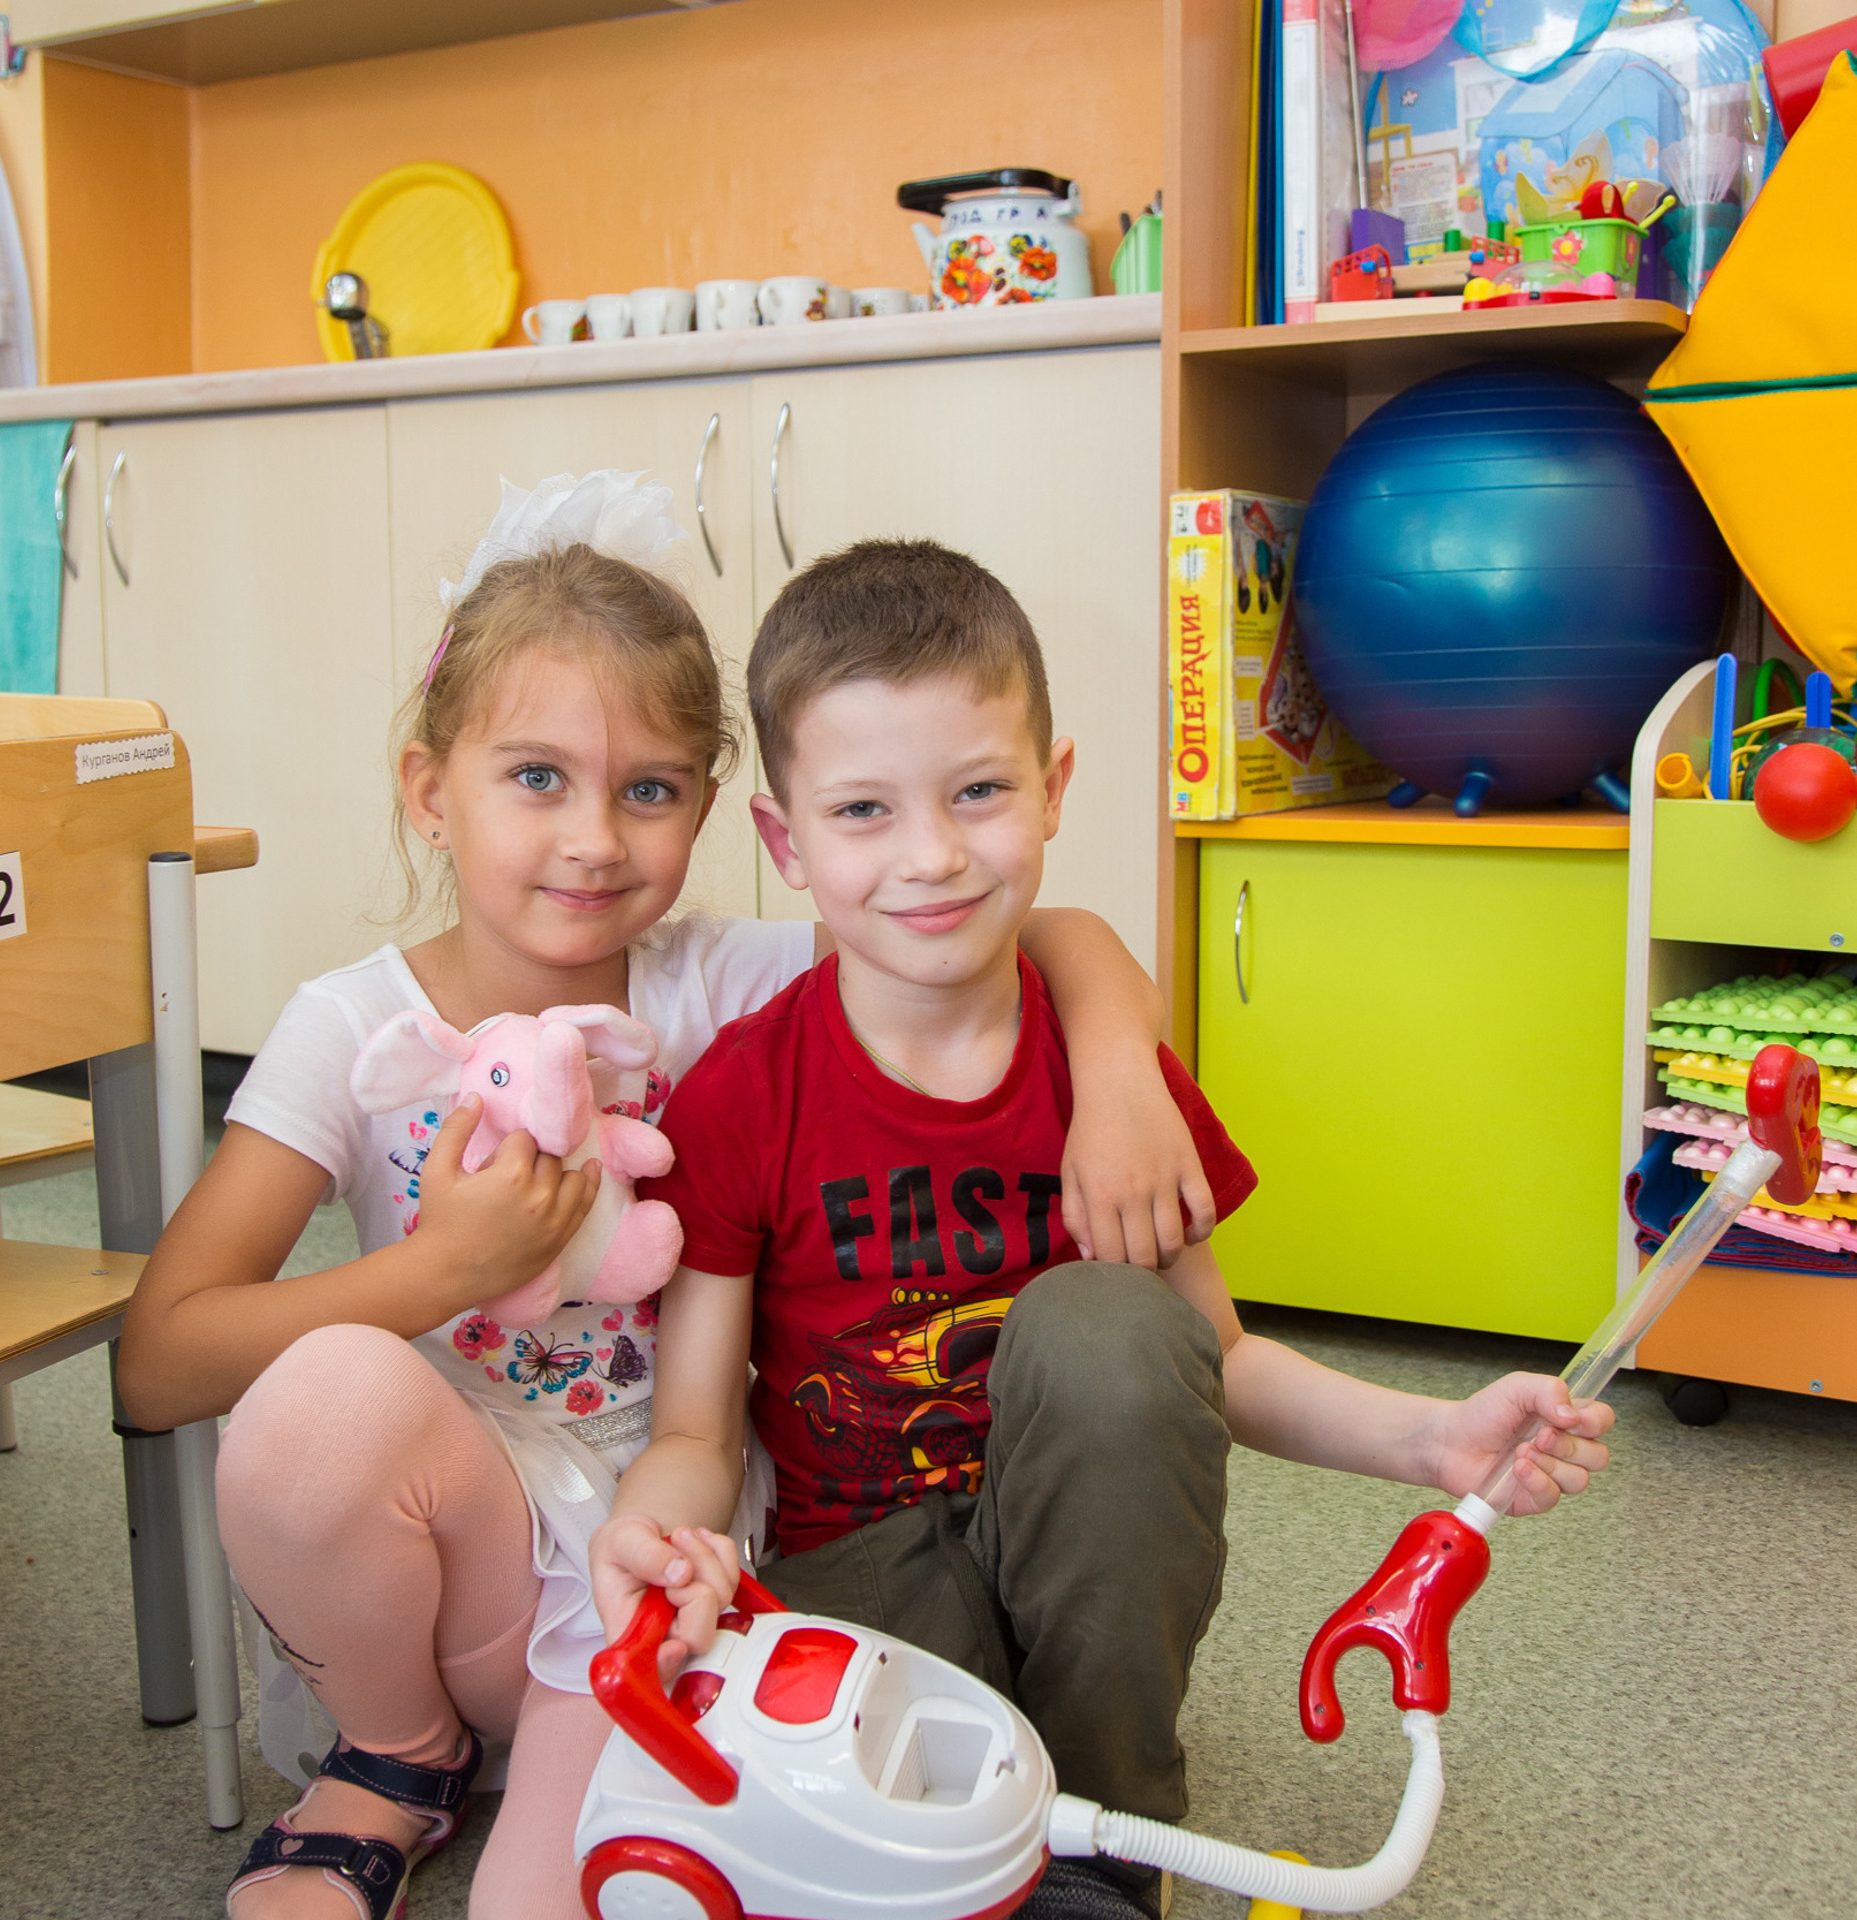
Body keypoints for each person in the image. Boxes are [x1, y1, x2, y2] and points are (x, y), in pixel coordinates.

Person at [115, 475, 1217, 1920]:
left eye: (648, 790)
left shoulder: (728, 978)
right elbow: (161, 1360)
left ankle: (564, 1768)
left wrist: (1123, 1073)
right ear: (427, 791)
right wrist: (443, 1269)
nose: (593, 839)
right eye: (535, 778)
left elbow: (1026, 925)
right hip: (452, 1559)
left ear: (716, 811)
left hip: (677, 1561)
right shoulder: (346, 1025)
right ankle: (399, 1762)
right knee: (316, 1397)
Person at [591, 538, 1616, 1920]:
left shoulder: (1116, 1085)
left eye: (980, 792)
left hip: (1096, 1560)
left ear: (1055, 788)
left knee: (1112, 1324)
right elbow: (701, 1434)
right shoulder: (743, 1095)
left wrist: (1433, 1439)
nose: (935, 856)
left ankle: (1116, 1836)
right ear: (787, 844)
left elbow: (1216, 1363)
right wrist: (651, 1541)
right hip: (865, 1567)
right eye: (864, 812)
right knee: (921, 1836)